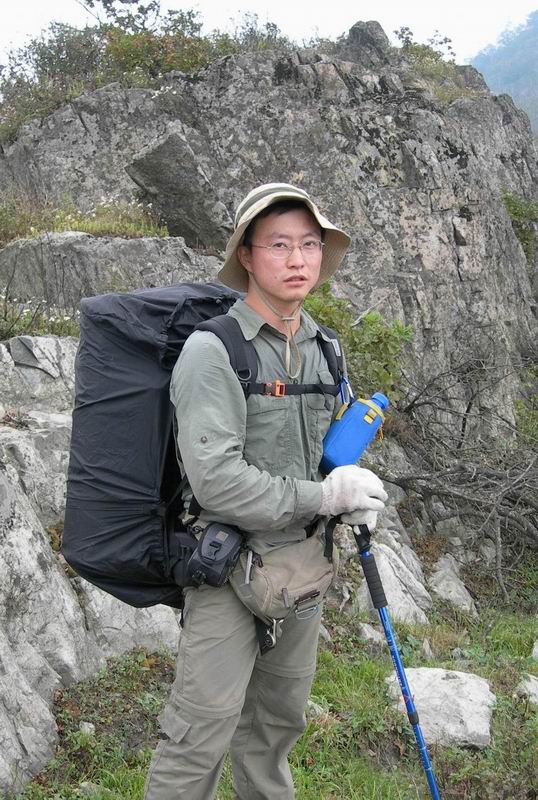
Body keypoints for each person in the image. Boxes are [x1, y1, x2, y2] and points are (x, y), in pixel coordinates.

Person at [143, 183, 388, 800]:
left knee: (275, 728)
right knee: (198, 736)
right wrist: (323, 499)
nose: (298, 260)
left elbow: (320, 456)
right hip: (229, 566)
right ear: (247, 256)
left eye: (310, 244)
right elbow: (218, 482)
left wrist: (348, 495)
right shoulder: (213, 351)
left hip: (303, 567)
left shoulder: (324, 349)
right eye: (279, 245)